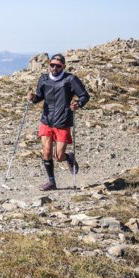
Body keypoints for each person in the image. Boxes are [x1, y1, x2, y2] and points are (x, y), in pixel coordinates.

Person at [26, 53, 89, 191]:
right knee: (47, 151)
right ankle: (51, 182)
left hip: (63, 121)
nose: (54, 68)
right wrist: (32, 98)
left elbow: (84, 96)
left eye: (58, 66)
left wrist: (78, 104)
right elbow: (39, 97)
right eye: (52, 64)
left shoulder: (70, 79)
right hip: (47, 120)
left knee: (59, 156)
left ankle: (69, 158)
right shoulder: (43, 79)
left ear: (63, 66)